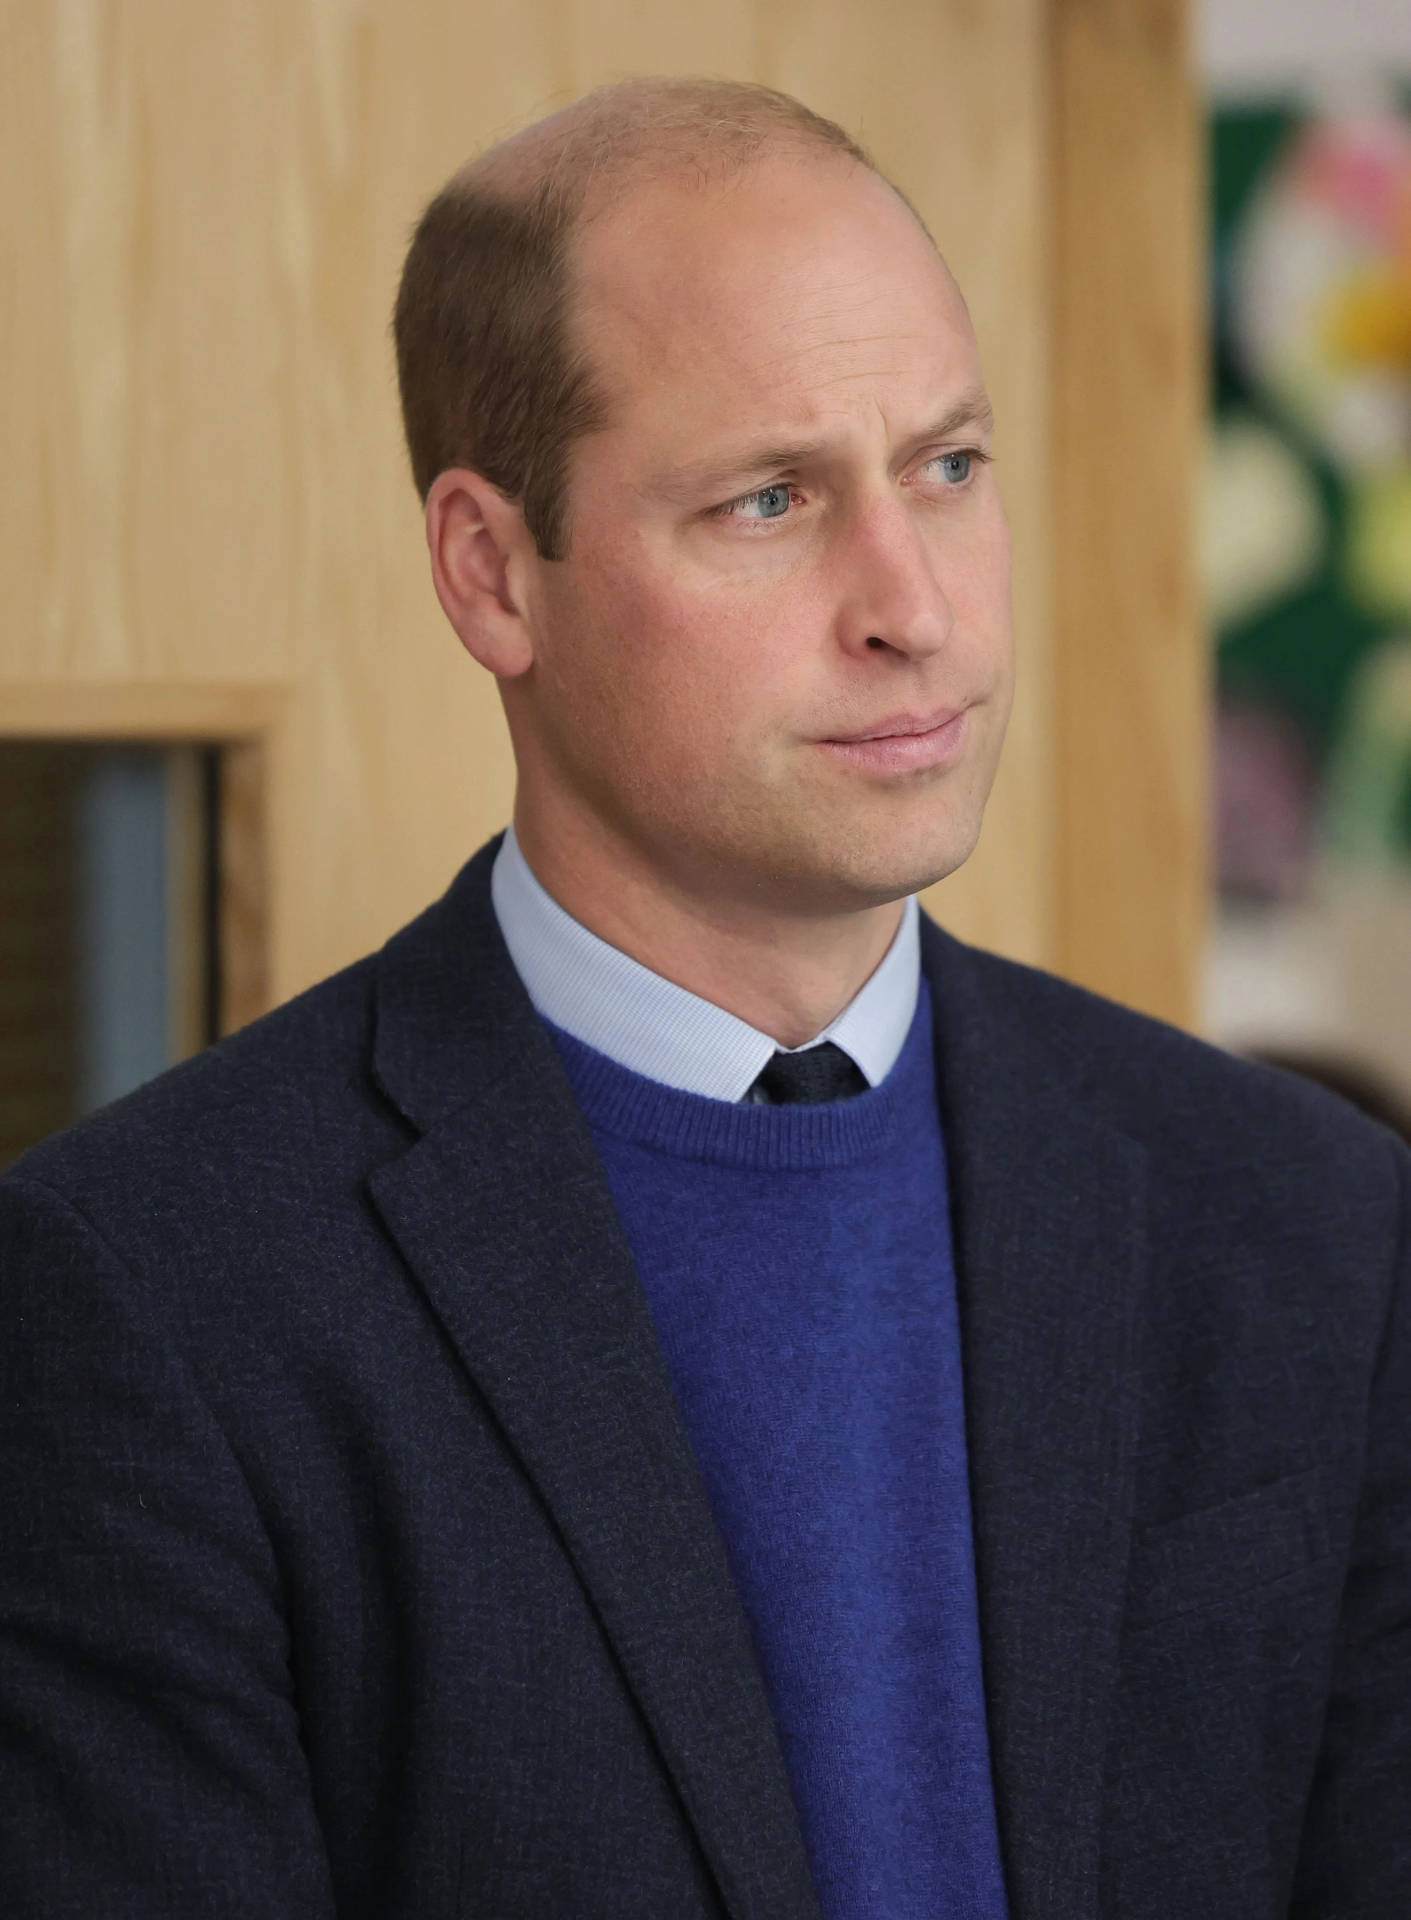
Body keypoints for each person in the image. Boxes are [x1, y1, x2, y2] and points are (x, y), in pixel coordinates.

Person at [1, 76, 1407, 1920]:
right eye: (770, 499)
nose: (913, 604)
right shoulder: (148, 1294)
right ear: (493, 573)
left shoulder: (1314, 1222)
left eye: (948, 468)